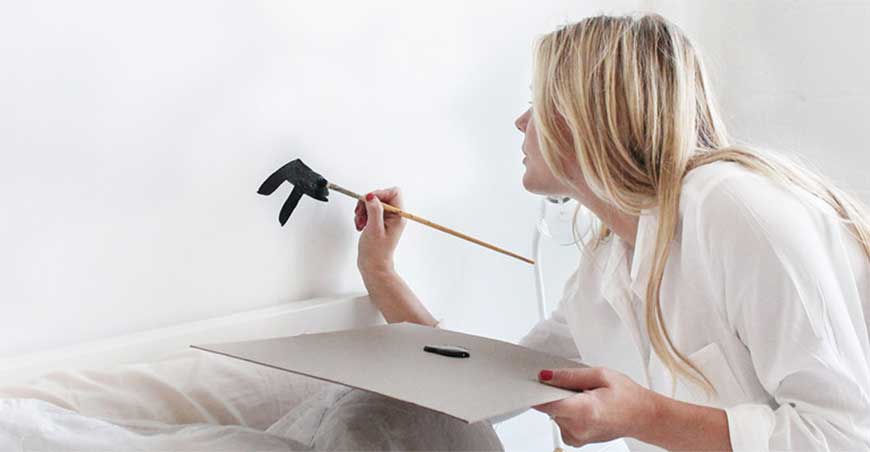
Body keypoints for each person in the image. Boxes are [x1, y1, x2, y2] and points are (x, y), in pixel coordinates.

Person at [353, 13, 870, 452]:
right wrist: (380, 272)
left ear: (587, 115)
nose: (520, 122)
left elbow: (844, 435)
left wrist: (644, 416)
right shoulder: (605, 269)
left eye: (537, 102)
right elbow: (486, 385)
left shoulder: (734, 209)